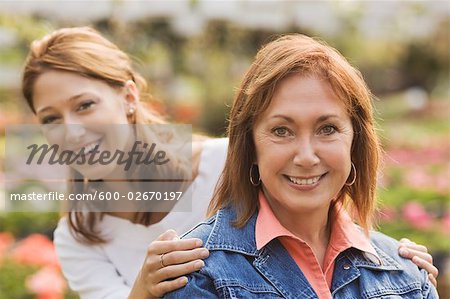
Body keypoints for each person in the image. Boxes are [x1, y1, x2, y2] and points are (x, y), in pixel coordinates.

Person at [21, 27, 439, 299]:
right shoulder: (78, 233)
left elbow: (319, 211)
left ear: (129, 98)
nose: (72, 130)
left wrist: (397, 267)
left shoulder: (224, 159)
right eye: (52, 119)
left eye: (85, 105)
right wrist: (142, 294)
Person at [164, 34, 439, 298]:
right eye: (282, 131)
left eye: (327, 128)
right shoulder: (197, 275)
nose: (306, 157)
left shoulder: (407, 279)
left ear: (355, 143)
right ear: (251, 146)